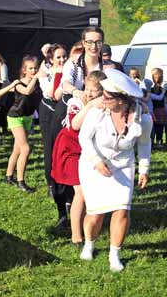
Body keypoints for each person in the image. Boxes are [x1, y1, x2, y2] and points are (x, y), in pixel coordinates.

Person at [78, 68, 152, 272]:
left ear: (122, 99)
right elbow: (83, 138)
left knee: (122, 210)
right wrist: (96, 161)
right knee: (96, 214)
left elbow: (144, 144)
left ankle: (114, 254)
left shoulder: (142, 118)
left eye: (108, 96)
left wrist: (144, 169)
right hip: (93, 164)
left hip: (123, 165)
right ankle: (89, 244)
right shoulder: (98, 111)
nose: (103, 98)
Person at [52, 27, 104, 228]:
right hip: (71, 115)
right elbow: (65, 84)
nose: (93, 46)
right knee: (62, 168)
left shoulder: (108, 65)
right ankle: (63, 213)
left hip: (97, 122)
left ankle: (90, 216)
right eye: (89, 42)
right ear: (83, 43)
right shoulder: (73, 64)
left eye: (97, 42)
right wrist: (78, 92)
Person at [51, 71, 105, 247]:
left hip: (87, 150)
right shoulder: (76, 103)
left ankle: (84, 227)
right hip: (70, 149)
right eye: (87, 89)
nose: (88, 93)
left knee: (87, 192)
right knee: (80, 191)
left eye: (94, 91)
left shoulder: (105, 104)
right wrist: (89, 106)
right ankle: (76, 236)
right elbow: (75, 125)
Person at [5, 55, 42, 193]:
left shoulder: (36, 83)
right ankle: (21, 181)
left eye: (35, 68)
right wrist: (36, 77)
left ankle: (9, 176)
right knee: (25, 149)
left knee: (17, 149)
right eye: (30, 68)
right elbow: (27, 91)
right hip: (15, 117)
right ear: (24, 70)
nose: (33, 71)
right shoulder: (18, 83)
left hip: (27, 117)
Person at [38, 44, 67, 197]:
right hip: (48, 111)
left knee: (62, 147)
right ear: (51, 59)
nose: (62, 60)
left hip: (63, 111)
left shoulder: (69, 69)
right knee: (50, 146)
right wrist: (59, 75)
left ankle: (63, 181)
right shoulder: (45, 72)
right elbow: (50, 93)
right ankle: (51, 183)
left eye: (64, 56)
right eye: (58, 57)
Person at [150, 68, 167, 147]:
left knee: (152, 127)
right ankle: (159, 142)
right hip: (161, 110)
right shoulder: (163, 90)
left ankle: (151, 142)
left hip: (153, 110)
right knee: (160, 127)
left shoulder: (150, 90)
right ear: (162, 79)